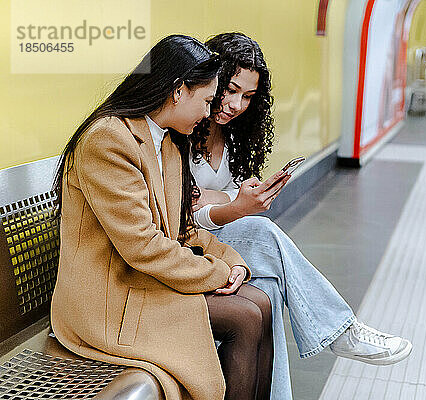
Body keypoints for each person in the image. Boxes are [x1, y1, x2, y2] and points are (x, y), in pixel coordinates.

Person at [188, 32, 413, 400]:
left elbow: (213, 199)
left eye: (247, 96)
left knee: (270, 288)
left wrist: (223, 200)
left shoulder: (231, 137)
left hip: (220, 240)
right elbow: (182, 215)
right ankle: (341, 330)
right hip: (190, 248)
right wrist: (233, 206)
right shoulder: (181, 129)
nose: (234, 104)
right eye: (229, 89)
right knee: (261, 231)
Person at [50, 35, 273, 400]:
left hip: (141, 282)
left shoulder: (168, 142)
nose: (208, 113)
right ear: (177, 91)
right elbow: (142, 246)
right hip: (109, 299)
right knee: (245, 317)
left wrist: (233, 262)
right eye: (205, 101)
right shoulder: (108, 139)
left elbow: (182, 227)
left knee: (259, 302)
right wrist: (216, 273)